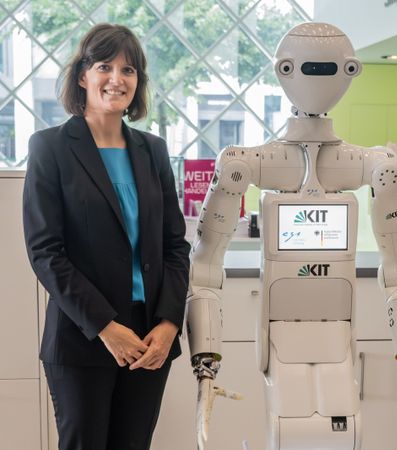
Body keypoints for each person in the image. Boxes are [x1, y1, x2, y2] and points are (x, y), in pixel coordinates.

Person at [22, 23, 190, 450]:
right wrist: (105, 327)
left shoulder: (153, 151)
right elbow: (46, 252)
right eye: (104, 67)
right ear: (83, 76)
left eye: (128, 70)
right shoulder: (50, 147)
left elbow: (175, 246)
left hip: (150, 337)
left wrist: (170, 323)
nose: (117, 79)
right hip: (84, 335)